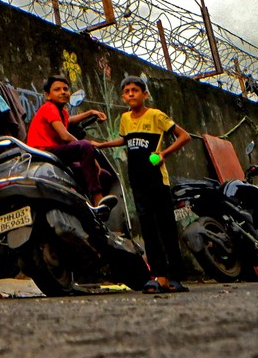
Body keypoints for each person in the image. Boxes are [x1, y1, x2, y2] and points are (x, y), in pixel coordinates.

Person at [94, 75, 191, 293]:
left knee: (165, 226)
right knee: (148, 229)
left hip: (157, 178)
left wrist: (164, 154)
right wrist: (102, 144)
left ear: (144, 94)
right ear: (123, 96)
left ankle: (175, 277)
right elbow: (124, 140)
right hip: (136, 179)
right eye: (127, 91)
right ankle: (160, 277)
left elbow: (184, 136)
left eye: (135, 90)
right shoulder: (125, 118)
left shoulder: (156, 115)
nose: (131, 94)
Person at [25, 75, 110, 204]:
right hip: (44, 153)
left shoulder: (62, 112)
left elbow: (69, 120)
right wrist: (91, 155)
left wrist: (90, 112)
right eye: (57, 89)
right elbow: (64, 135)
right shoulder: (49, 107)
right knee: (85, 146)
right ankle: (98, 199)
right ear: (48, 95)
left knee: (104, 176)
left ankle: (89, 208)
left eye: (65, 89)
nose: (63, 92)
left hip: (55, 155)